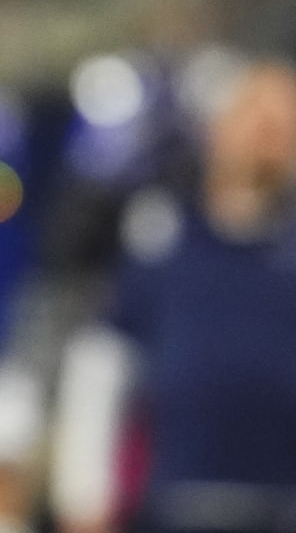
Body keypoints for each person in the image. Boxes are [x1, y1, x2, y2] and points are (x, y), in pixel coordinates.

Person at [50, 58, 296, 533]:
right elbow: (100, 366)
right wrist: (83, 498)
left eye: (285, 120)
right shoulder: (159, 239)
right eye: (255, 114)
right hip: (174, 501)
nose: (269, 130)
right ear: (216, 127)